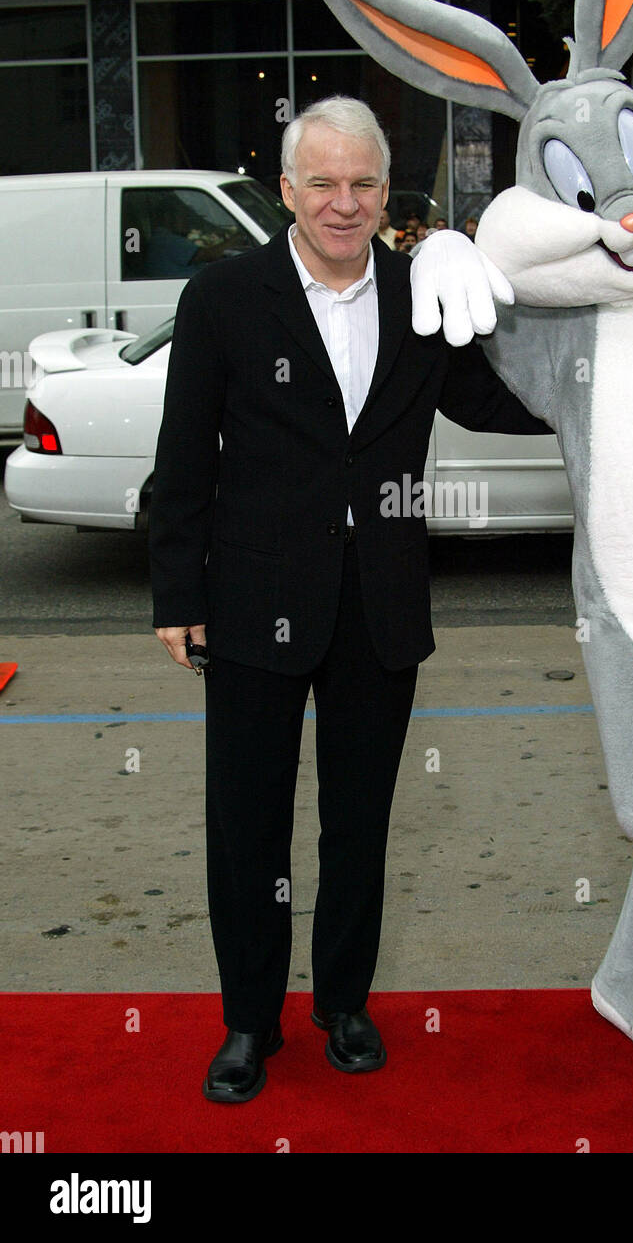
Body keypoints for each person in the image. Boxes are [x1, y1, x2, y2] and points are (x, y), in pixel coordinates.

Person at [148, 94, 550, 1104]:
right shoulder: (224, 298)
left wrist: (514, 291)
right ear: (285, 190)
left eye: (362, 183)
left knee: (359, 823)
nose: (342, 203)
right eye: (320, 182)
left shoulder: (423, 296)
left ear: (385, 191)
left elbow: (503, 400)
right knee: (246, 824)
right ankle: (248, 1021)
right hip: (248, 601)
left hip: (379, 602)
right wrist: (174, 592)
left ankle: (344, 1003)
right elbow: (184, 459)